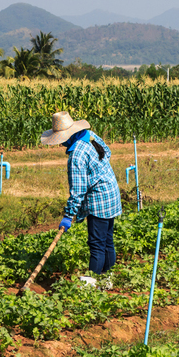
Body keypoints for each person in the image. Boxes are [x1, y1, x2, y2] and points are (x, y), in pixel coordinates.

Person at [40, 111, 122, 287]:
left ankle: (92, 285)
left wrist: (69, 215)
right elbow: (107, 153)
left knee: (97, 243)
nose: (61, 143)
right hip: (111, 192)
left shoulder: (77, 154)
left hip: (99, 200)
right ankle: (107, 280)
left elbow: (78, 190)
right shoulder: (90, 136)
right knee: (107, 240)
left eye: (61, 139)